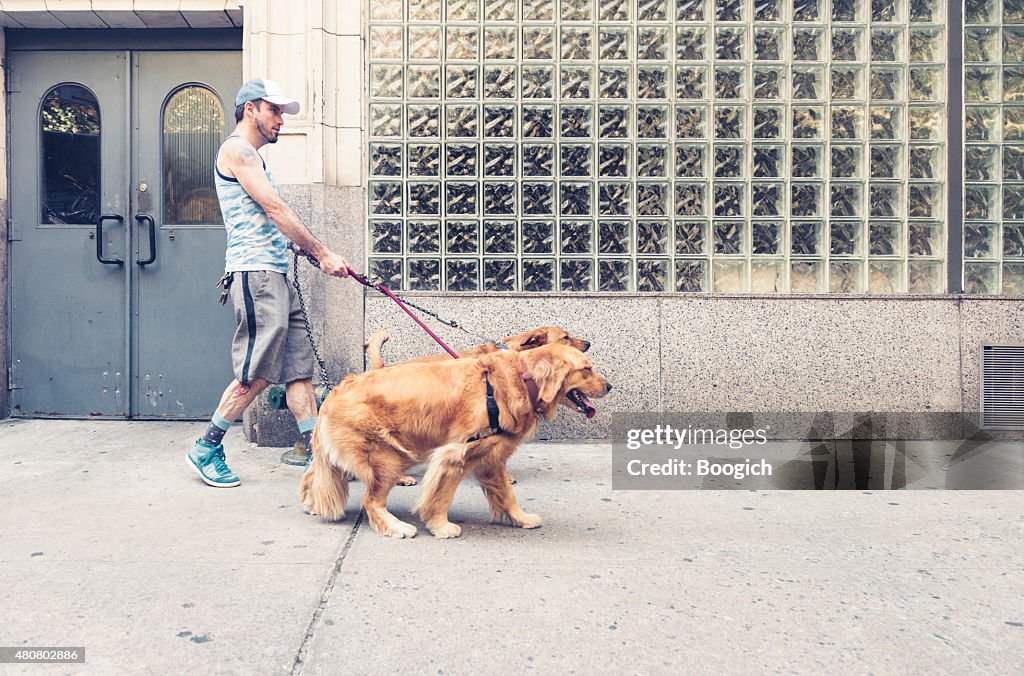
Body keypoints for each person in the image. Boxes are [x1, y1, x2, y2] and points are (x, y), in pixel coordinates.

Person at [187, 78, 350, 488]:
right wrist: (321, 253)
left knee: (298, 372)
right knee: (256, 371)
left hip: (273, 271)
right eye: (274, 111)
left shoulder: (254, 159)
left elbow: (267, 219)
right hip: (255, 274)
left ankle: (318, 452)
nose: (281, 120)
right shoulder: (236, 150)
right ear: (250, 109)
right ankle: (207, 446)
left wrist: (296, 250)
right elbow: (274, 209)